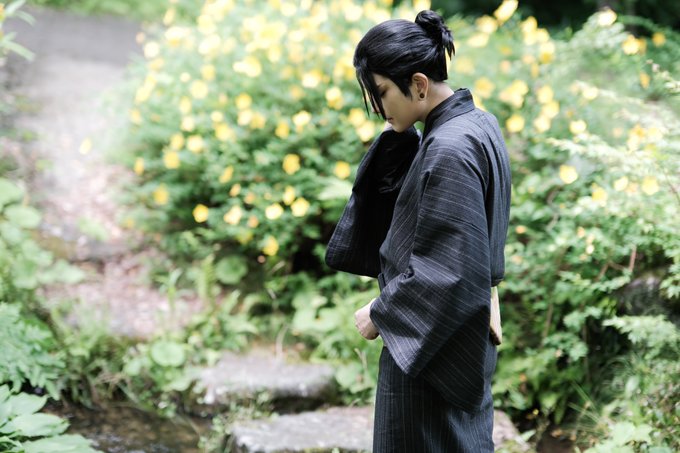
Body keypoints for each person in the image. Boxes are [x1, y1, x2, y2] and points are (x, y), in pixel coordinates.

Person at [325, 9, 512, 452]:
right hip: (459, 337)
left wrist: (380, 312)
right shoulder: (478, 124)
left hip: (429, 350)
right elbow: (472, 241)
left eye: (382, 92)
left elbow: (449, 271)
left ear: (419, 84)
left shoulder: (449, 147)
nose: (377, 108)